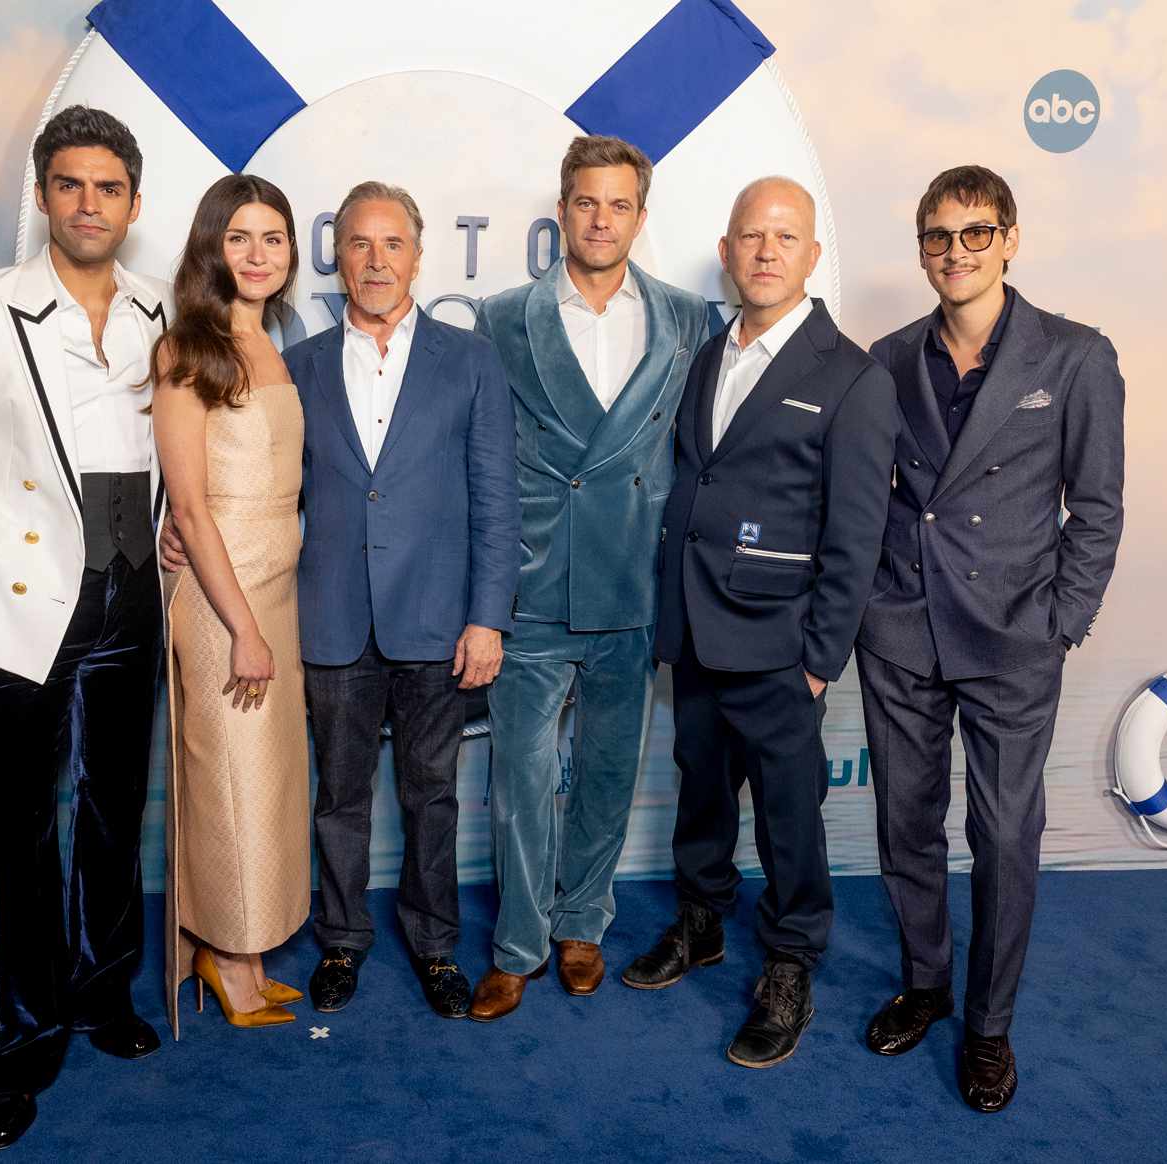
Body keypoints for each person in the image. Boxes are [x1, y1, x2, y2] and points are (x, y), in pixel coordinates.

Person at [163, 181, 519, 1019]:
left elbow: (496, 499)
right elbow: (243, 473)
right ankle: (342, 941)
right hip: (325, 618)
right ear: (336, 257)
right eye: (359, 244)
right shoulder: (299, 366)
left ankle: (435, 947)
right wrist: (175, 529)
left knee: (432, 795)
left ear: (419, 258)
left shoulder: (469, 361)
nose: (376, 261)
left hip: (438, 621)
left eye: (393, 245)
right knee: (338, 796)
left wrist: (489, 615)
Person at [0, 106, 167, 1151]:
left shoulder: (159, 312)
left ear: (133, 205)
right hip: (22, 608)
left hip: (134, 593)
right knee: (22, 829)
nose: (89, 203)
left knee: (113, 813)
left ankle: (103, 996)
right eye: (70, 184)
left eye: (108, 187)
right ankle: (19, 1043)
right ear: (45, 196)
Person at [857, 164, 1125, 1111]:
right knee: (904, 825)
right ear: (921, 249)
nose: (956, 252)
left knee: (1006, 836)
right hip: (899, 629)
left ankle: (988, 1027)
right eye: (938, 237)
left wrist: (1061, 624)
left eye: (975, 233)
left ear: (1011, 238)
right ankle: (926, 984)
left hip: (1014, 637)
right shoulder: (886, 358)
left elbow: (1094, 510)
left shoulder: (1075, 357)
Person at [621, 178, 897, 1070]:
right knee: (700, 785)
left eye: (786, 237)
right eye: (751, 236)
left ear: (813, 256)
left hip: (782, 644)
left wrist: (818, 661)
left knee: (788, 813)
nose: (767, 251)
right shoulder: (711, 354)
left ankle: (789, 963)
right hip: (697, 626)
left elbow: (856, 535)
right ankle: (701, 922)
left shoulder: (852, 375)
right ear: (729, 251)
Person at [467, 135, 708, 1022]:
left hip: (635, 583)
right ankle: (519, 944)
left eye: (618, 205)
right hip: (531, 585)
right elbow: (478, 462)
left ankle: (582, 926)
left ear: (640, 217)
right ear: (560, 209)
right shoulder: (499, 318)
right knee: (521, 781)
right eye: (585, 202)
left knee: (609, 770)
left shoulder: (689, 319)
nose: (600, 219)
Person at [152, 174, 311, 1037]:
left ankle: (239, 952)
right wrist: (241, 627)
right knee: (230, 782)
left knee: (269, 779)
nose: (258, 255)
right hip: (225, 602)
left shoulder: (278, 348)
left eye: (274, 238)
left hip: (277, 585)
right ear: (212, 247)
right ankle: (226, 957)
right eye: (240, 237)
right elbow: (190, 507)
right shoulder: (187, 350)